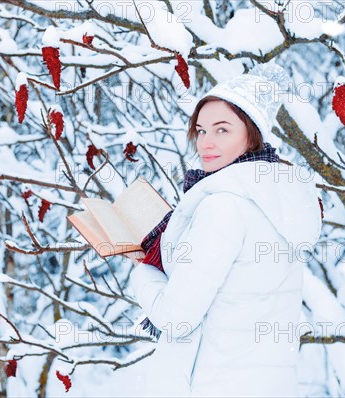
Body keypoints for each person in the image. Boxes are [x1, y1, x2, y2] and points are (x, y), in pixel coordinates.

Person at [123, 62, 323, 397]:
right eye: (201, 130)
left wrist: (142, 269)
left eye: (222, 130)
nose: (205, 142)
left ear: (252, 133)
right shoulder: (277, 200)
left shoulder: (223, 207)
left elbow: (175, 319)